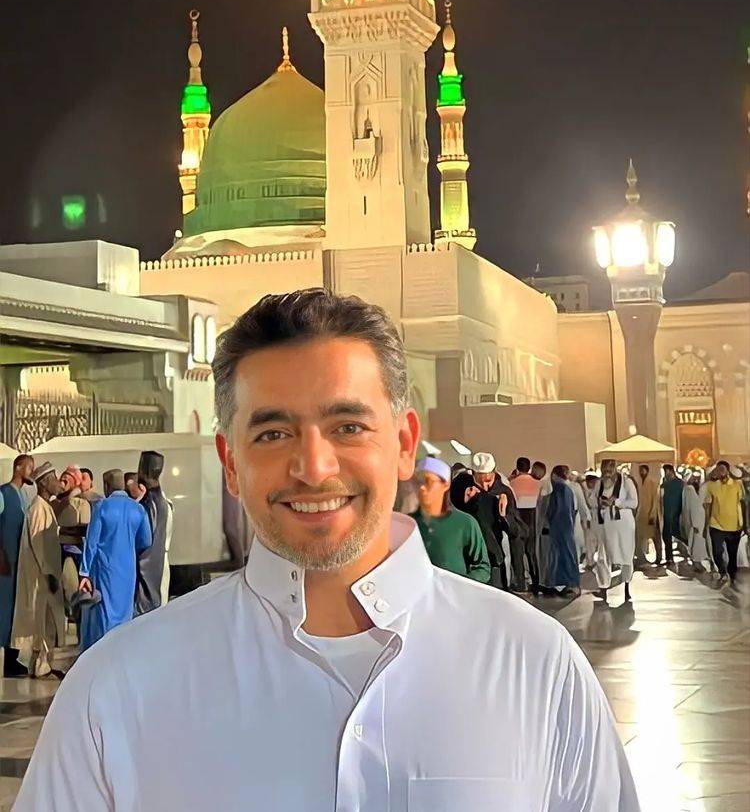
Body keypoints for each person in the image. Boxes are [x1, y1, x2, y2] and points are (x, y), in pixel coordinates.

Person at [16, 289, 640, 811]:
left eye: (348, 427)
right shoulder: (118, 690)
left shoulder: (533, 666)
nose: (314, 468)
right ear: (231, 462)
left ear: (404, 443)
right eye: (273, 433)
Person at [78, 469, 153, 651]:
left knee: (104, 613)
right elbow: (146, 541)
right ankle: (121, 651)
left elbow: (92, 543)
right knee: (124, 612)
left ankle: (102, 653)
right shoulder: (138, 509)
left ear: (106, 485)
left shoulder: (102, 507)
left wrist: (84, 572)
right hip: (128, 570)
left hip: (105, 569)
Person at [11, 463, 66, 679]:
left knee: (45, 621)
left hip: (45, 575)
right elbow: (38, 545)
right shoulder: (38, 509)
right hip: (42, 577)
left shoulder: (44, 507)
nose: (58, 483)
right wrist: (49, 573)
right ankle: (42, 666)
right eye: (54, 479)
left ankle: (40, 664)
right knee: (43, 620)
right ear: (44, 483)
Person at [450, 453, 526, 591]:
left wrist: (504, 515)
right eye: (479, 481)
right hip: (470, 558)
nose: (484, 487)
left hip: (494, 558)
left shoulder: (504, 492)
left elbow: (516, 532)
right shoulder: (463, 488)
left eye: (488, 480)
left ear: (494, 474)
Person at [410, 456, 490, 583]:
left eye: (428, 482)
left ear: (445, 485)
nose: (422, 488)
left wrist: (460, 585)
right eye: (418, 482)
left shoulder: (465, 523)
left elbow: (482, 567)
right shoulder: (408, 524)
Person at [0, 454, 34, 677]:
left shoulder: (24, 495)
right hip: (5, 561)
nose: (31, 472)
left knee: (15, 608)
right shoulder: (3, 493)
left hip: (19, 562)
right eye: (29, 467)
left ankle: (12, 659)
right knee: (4, 608)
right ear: (19, 467)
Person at [593, 459, 637, 603]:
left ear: (615, 470)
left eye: (609, 471)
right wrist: (599, 502)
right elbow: (592, 499)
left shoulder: (626, 482)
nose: (607, 474)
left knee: (626, 554)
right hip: (604, 524)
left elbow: (634, 502)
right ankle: (603, 588)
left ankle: (626, 586)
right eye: (604, 471)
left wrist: (616, 502)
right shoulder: (599, 483)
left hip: (623, 524)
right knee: (602, 556)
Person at [134, 451, 170, 615]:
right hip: (157, 564)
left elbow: (143, 540)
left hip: (148, 566)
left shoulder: (149, 503)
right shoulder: (162, 501)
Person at [536, 466, 580, 598]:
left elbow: (556, 511)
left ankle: (570, 584)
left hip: (560, 528)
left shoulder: (560, 490)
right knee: (565, 555)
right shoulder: (568, 489)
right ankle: (567, 584)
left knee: (563, 555)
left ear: (554, 475)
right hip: (565, 528)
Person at [52, 465, 91, 609]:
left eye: (68, 476)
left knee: (74, 588)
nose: (63, 479)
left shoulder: (83, 502)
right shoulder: (57, 501)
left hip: (76, 549)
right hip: (61, 548)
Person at [705, 460, 746, 588]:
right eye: (718, 469)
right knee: (717, 552)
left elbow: (743, 504)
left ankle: (732, 575)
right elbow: (708, 505)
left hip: (734, 526)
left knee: (732, 554)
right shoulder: (712, 486)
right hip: (716, 524)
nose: (720, 471)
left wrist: (745, 524)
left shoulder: (737, 485)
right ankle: (722, 572)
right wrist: (706, 524)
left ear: (728, 470)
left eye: (722, 469)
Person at [509, 456, 541, 591]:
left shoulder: (511, 484)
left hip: (518, 520)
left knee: (517, 555)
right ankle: (537, 582)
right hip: (534, 520)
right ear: (529, 468)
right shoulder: (538, 484)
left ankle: (521, 583)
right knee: (533, 554)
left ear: (517, 468)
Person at [681, 469, 708, 572]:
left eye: (697, 478)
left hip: (701, 521)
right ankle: (696, 563)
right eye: (694, 478)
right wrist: (694, 523)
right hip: (695, 522)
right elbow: (689, 507)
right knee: (696, 542)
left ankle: (697, 562)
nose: (696, 480)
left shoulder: (699, 490)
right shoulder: (689, 490)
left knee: (699, 542)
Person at [634, 464, 661, 566]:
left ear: (647, 471)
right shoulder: (641, 483)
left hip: (650, 514)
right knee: (640, 537)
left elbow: (655, 500)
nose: (641, 472)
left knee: (655, 537)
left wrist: (652, 514)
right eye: (640, 471)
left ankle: (659, 558)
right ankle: (641, 557)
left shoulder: (651, 482)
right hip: (642, 514)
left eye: (643, 470)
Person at [660, 464, 684, 566]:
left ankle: (688, 552)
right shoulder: (665, 484)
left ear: (670, 471)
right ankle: (669, 558)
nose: (665, 474)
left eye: (666, 472)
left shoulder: (680, 483)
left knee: (678, 534)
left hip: (677, 513)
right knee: (666, 535)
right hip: (666, 513)